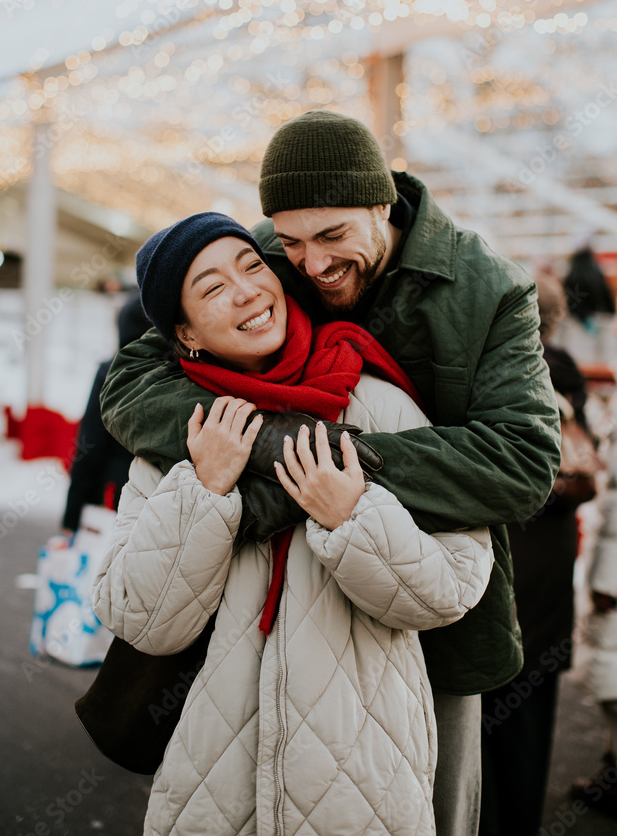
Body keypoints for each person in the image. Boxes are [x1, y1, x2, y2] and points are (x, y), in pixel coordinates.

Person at [99, 110, 561, 836]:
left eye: (331, 238)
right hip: (264, 609)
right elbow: (129, 381)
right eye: (289, 242)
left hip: (428, 586)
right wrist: (274, 443)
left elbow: (520, 464)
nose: (308, 264)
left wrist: (336, 463)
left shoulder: (486, 287)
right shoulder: (260, 256)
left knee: (423, 805)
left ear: (383, 205)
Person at [479, 267, 597, 835]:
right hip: (549, 570)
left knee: (484, 727)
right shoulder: (569, 374)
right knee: (530, 723)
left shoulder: (510, 368)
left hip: (506, 567)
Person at [61, 292, 150, 534]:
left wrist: (72, 517)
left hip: (116, 495)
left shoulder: (110, 373)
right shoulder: (178, 375)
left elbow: (90, 445)